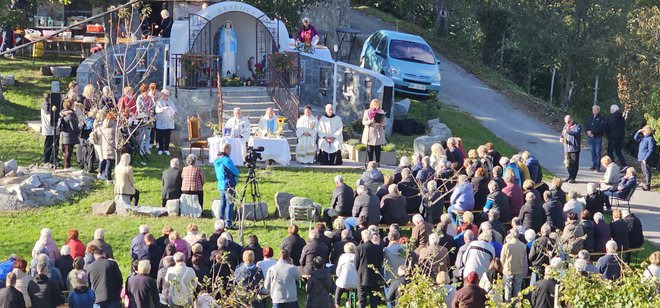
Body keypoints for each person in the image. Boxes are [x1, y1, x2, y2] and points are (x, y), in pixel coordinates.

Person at [214, 143, 240, 230]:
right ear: (227, 150)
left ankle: (219, 222)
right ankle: (228, 223)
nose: (231, 152)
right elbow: (235, 171)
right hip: (229, 185)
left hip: (221, 185)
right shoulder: (226, 160)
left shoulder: (216, 160)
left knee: (222, 203)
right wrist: (238, 171)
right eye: (230, 150)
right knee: (230, 203)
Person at [355, 231, 384, 308]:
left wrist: (359, 271)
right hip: (375, 276)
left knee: (362, 300)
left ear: (362, 237)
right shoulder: (378, 248)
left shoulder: (359, 248)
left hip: (362, 277)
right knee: (374, 301)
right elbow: (381, 261)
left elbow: (356, 264)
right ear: (371, 237)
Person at [361, 99, 387, 164]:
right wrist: (370, 121)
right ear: (371, 105)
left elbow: (385, 122)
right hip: (369, 132)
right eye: (374, 105)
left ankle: (378, 162)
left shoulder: (381, 111)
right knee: (370, 148)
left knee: (377, 148)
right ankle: (370, 162)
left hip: (378, 132)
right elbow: (363, 122)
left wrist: (382, 124)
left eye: (377, 105)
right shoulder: (367, 112)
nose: (376, 107)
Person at [58, 99, 80, 169]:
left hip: (64, 135)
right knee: (68, 152)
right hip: (70, 135)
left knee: (65, 152)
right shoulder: (71, 115)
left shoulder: (62, 113)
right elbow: (74, 127)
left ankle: (66, 166)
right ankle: (67, 166)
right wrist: (79, 130)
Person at [335, 242, 358, 307]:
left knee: (339, 286)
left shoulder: (342, 257)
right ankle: (350, 301)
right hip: (355, 281)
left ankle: (337, 302)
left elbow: (338, 270)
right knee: (353, 287)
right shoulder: (357, 257)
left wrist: (339, 275)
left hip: (344, 281)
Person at [560, 115, 582, 183]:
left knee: (574, 164)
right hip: (567, 149)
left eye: (568, 122)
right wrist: (561, 138)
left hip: (574, 149)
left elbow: (576, 133)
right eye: (566, 122)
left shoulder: (577, 126)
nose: (567, 123)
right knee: (568, 164)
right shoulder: (565, 126)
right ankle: (570, 176)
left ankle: (573, 177)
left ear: (571, 120)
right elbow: (562, 134)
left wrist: (568, 130)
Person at [154, 89, 177, 155]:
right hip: (161, 121)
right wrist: (163, 108)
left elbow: (174, 109)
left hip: (169, 122)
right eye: (165, 95)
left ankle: (166, 149)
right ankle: (160, 149)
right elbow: (157, 110)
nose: (167, 97)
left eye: (168, 95)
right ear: (162, 95)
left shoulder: (170, 102)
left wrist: (175, 112)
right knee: (161, 136)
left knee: (167, 136)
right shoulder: (158, 102)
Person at [634, 125, 656, 191]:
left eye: (644, 131)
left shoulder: (650, 139)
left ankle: (647, 185)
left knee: (647, 172)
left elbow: (651, 150)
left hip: (645, 158)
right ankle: (646, 184)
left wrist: (646, 158)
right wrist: (638, 132)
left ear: (647, 131)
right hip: (641, 157)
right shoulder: (644, 138)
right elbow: (635, 138)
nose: (643, 133)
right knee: (644, 171)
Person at [605, 104, 627, 170]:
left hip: (612, 137)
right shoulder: (621, 118)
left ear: (613, 110)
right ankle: (624, 164)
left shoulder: (611, 118)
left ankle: (612, 165)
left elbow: (607, 127)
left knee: (610, 151)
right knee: (618, 152)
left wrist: (607, 134)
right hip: (620, 138)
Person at [586, 105, 606, 171]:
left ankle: (598, 166)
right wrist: (588, 131)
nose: (594, 110)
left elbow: (601, 128)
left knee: (597, 151)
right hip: (590, 138)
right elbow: (587, 125)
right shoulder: (590, 117)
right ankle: (594, 164)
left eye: (596, 109)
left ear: (599, 110)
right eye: (593, 109)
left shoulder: (601, 118)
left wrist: (592, 132)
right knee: (592, 151)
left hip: (597, 137)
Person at [100, 112, 117, 183]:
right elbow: (117, 135)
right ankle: (109, 178)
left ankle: (106, 175)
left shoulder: (104, 125)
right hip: (112, 146)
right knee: (110, 163)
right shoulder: (114, 126)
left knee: (107, 161)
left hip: (105, 145)